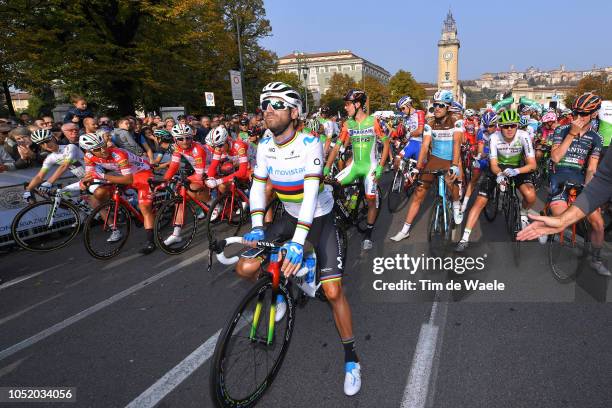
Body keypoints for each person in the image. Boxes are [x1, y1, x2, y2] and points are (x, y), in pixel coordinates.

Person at [238, 81, 361, 396]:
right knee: (246, 268)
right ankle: (283, 288)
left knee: (333, 292)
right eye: (265, 103)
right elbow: (257, 187)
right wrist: (255, 224)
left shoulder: (310, 143)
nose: (268, 109)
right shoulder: (265, 144)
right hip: (290, 217)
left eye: (277, 104)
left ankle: (351, 358)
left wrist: (297, 242)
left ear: (294, 112)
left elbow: (309, 196)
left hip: (318, 218)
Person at [541, 93, 609, 275]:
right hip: (559, 176)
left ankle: (596, 259)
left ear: (594, 114)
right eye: (576, 112)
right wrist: (570, 134)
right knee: (560, 217)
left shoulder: (596, 138)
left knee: (598, 223)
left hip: (579, 178)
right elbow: (555, 158)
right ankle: (547, 221)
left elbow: (591, 169)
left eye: (584, 114)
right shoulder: (560, 131)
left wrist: (591, 190)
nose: (578, 118)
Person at [390, 90, 463, 242]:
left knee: (452, 184)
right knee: (418, 194)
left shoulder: (456, 122)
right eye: (435, 105)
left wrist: (455, 165)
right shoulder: (430, 124)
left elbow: (456, 144)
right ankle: (405, 230)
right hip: (434, 159)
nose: (436, 108)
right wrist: (417, 167)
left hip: (450, 159)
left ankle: (456, 205)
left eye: (440, 105)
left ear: (448, 107)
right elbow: (424, 146)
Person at [324, 89, 390, 250]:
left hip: (370, 167)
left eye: (347, 104)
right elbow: (337, 146)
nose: (345, 108)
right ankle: (345, 213)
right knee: (329, 186)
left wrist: (381, 167)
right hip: (355, 166)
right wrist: (326, 168)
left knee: (371, 199)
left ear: (357, 104)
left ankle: (368, 233)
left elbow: (386, 143)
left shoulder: (373, 121)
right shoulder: (348, 124)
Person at [78, 132, 156, 254]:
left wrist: (102, 175)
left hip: (142, 173)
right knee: (106, 192)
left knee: (145, 207)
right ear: (88, 150)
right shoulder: (88, 156)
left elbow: (128, 180)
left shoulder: (118, 154)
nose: (103, 150)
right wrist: (84, 182)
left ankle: (151, 242)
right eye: (97, 149)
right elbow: (89, 175)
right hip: (123, 174)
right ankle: (132, 208)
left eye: (103, 145)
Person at [161, 124, 211, 243]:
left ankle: (213, 204)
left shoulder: (197, 149)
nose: (185, 141)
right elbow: (173, 166)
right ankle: (176, 234)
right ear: (175, 139)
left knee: (191, 187)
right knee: (180, 198)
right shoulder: (177, 148)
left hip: (211, 169)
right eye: (180, 138)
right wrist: (164, 181)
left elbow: (200, 174)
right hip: (200, 170)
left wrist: (186, 179)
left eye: (188, 138)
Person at [23, 128, 85, 201]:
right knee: (61, 193)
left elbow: (65, 165)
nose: (46, 145)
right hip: (84, 180)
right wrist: (28, 190)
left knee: (94, 200)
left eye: (47, 141)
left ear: (53, 138)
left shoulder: (70, 147)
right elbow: (40, 176)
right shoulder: (50, 157)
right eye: (42, 144)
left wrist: (49, 182)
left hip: (94, 176)